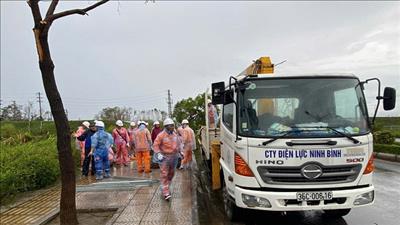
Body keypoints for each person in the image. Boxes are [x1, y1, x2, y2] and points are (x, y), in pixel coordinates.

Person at [153, 118, 183, 200]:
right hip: (164, 158)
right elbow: (155, 145)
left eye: (173, 125)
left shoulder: (174, 134)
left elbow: (179, 143)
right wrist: (158, 153)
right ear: (166, 126)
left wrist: (181, 151)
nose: (173, 127)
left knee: (171, 173)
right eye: (171, 126)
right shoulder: (161, 135)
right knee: (164, 174)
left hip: (174, 157)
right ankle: (165, 192)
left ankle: (166, 186)